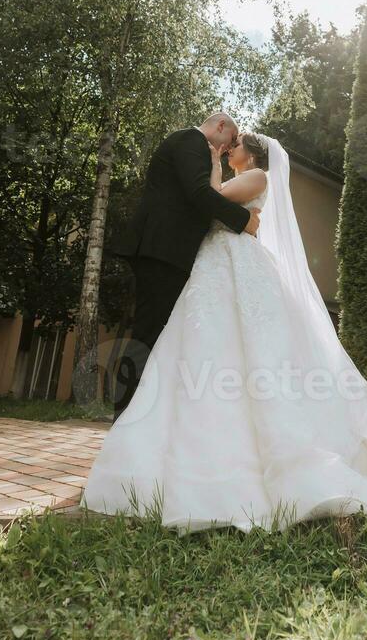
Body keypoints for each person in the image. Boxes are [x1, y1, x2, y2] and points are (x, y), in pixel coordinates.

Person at [82, 133, 367, 533]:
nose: (228, 147)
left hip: (237, 266)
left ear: (250, 153)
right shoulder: (245, 175)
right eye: (227, 144)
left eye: (233, 144)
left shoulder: (255, 176)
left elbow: (212, 197)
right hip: (214, 268)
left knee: (248, 351)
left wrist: (212, 160)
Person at [110, 113, 261, 423]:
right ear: (221, 126)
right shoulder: (189, 141)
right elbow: (198, 194)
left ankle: (144, 416)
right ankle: (123, 415)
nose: (229, 147)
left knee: (159, 335)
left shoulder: (194, 146)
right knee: (148, 334)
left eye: (235, 145)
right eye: (231, 139)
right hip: (161, 250)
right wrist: (244, 220)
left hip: (169, 252)